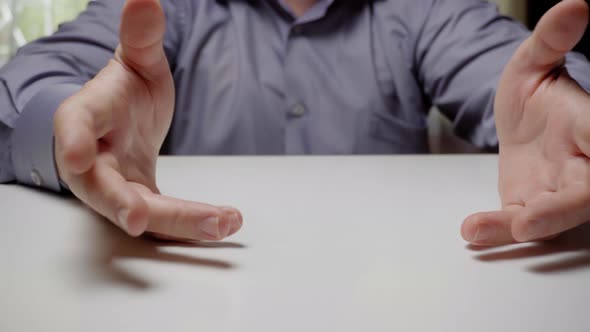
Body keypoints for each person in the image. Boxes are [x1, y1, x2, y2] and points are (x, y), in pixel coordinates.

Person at [0, 0, 589, 246]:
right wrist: (70, 128)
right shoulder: (172, 6)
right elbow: (25, 87)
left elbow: (521, 77)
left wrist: (568, 107)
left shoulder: (422, 7)